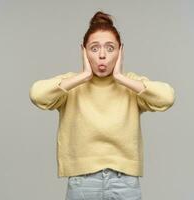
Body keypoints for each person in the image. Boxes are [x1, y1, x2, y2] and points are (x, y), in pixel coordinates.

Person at [29, 10, 175, 200]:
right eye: (95, 48)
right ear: (84, 51)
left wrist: (120, 78)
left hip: (125, 180)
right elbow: (37, 94)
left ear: (120, 51)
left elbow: (167, 97)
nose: (103, 56)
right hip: (82, 180)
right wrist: (83, 76)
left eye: (110, 48)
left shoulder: (131, 84)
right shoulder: (71, 84)